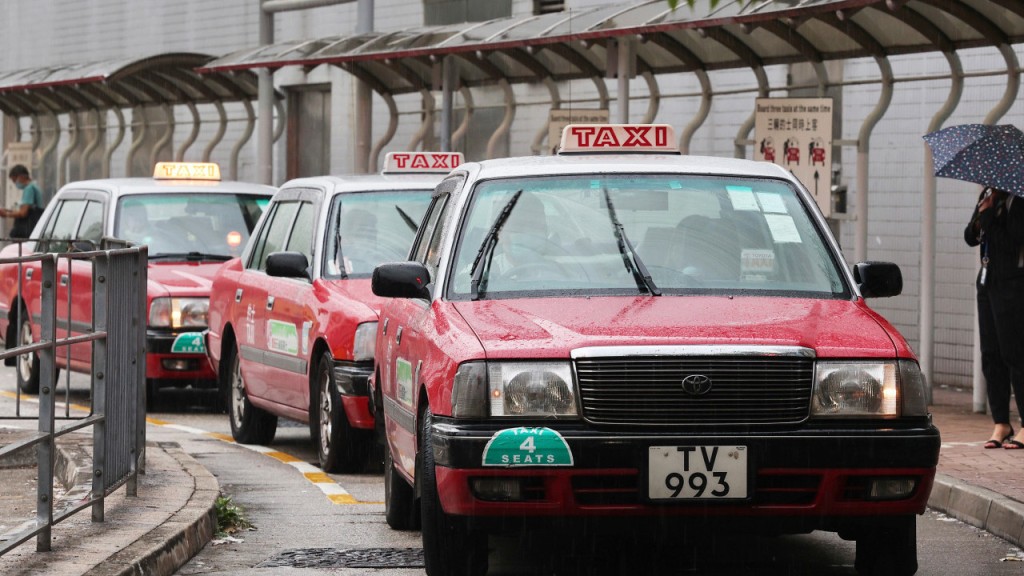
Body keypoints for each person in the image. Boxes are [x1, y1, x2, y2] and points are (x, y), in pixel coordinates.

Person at [964, 186, 1024, 450]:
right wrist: (980, 217)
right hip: (987, 282)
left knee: (1015, 354)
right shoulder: (988, 196)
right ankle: (1001, 422)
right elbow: (970, 237)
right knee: (991, 353)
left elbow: (1013, 242)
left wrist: (989, 217)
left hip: (1013, 283)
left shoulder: (1018, 200)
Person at [2, 164, 44, 239]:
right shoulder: (34, 186)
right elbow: (28, 208)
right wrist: (9, 211)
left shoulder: (29, 189)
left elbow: (23, 213)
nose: (15, 183)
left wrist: (6, 214)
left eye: (15, 180)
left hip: (28, 229)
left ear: (21, 176)